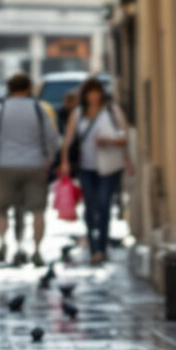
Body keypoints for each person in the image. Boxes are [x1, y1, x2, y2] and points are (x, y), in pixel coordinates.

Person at [0, 72, 59, 259]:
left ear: (9, 88)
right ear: (28, 88)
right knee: (38, 210)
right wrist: (50, 158)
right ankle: (37, 250)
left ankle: (3, 243)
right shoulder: (39, 109)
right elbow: (52, 138)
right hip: (35, 165)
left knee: (1, 209)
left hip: (6, 165)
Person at [59, 77, 130, 264]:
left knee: (104, 205)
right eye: (90, 92)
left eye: (96, 91)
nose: (93, 96)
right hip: (86, 167)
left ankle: (102, 246)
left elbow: (125, 137)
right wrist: (65, 162)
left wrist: (110, 142)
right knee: (90, 206)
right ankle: (93, 246)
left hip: (109, 166)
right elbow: (68, 139)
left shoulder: (112, 111)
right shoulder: (78, 113)